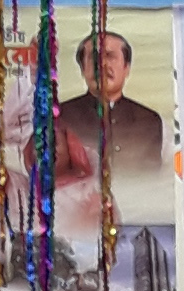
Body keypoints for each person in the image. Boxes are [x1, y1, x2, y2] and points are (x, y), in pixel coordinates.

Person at [51, 27, 167, 198]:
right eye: (94, 57)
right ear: (82, 69)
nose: (102, 64)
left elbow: (152, 182)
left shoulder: (149, 120)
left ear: (126, 68)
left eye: (110, 56)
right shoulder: (61, 117)